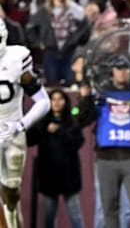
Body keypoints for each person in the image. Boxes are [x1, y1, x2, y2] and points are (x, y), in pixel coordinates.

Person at [77, 55, 130, 228]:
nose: (122, 73)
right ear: (112, 72)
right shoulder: (101, 95)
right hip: (106, 159)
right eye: (118, 69)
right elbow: (82, 119)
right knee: (109, 207)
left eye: (125, 69)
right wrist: (84, 99)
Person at [0, 20, 51, 228]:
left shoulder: (16, 58)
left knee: (11, 190)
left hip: (11, 131)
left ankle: (13, 220)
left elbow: (44, 101)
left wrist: (19, 126)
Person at [26, 89, 84, 228]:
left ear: (66, 102)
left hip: (69, 176)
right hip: (48, 176)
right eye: (53, 99)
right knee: (49, 217)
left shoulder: (72, 122)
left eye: (60, 99)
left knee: (75, 216)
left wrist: (59, 131)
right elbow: (29, 140)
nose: (57, 103)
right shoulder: (42, 122)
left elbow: (77, 143)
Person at [25, 0, 91, 84]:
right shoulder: (43, 11)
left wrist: (79, 41)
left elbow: (85, 28)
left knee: (72, 83)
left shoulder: (76, 10)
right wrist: (38, 43)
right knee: (52, 83)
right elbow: (30, 29)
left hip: (71, 53)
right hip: (51, 53)